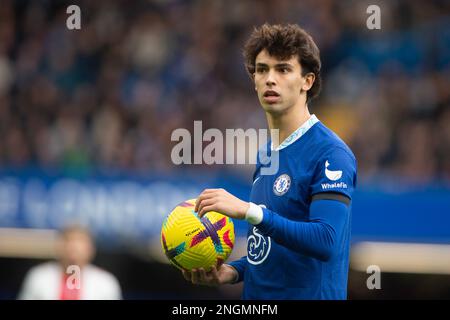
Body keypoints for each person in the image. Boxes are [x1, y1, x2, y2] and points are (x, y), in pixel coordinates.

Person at [182, 23, 357, 299]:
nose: (270, 79)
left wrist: (249, 211)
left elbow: (326, 241)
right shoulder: (267, 154)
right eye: (262, 69)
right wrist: (236, 271)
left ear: (307, 81)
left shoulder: (331, 153)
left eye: (283, 69)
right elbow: (272, 246)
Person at [18, 225, 122, 300]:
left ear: (90, 249)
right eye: (68, 241)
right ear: (58, 246)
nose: (73, 248)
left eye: (80, 241)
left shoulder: (105, 282)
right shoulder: (39, 277)